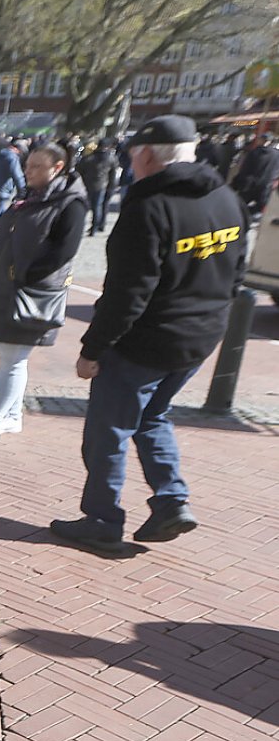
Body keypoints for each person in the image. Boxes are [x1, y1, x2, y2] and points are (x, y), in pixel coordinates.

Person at [50, 115, 248, 551]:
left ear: (144, 156)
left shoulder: (148, 208)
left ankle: (102, 519)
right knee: (153, 415)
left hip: (145, 342)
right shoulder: (226, 198)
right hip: (199, 336)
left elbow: (128, 293)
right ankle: (171, 501)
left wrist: (93, 349)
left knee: (109, 431)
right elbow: (237, 271)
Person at [0, 142, 87, 444]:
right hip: (8, 286)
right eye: (28, 165)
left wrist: (26, 275)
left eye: (37, 166)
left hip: (32, 294)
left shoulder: (70, 203)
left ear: (57, 168)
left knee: (13, 358)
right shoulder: (32, 196)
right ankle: (12, 415)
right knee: (11, 356)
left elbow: (64, 251)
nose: (28, 171)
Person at [75, 137, 120, 235]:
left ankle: (80, 226)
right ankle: (94, 228)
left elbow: (79, 170)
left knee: (84, 207)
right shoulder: (111, 159)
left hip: (86, 185)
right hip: (102, 185)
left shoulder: (88, 158)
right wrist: (111, 187)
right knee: (97, 207)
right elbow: (112, 176)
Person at [231, 131, 279, 216]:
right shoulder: (277, 155)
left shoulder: (254, 152)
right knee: (257, 210)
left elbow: (244, 169)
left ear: (262, 140)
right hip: (265, 188)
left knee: (239, 208)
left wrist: (237, 182)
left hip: (249, 185)